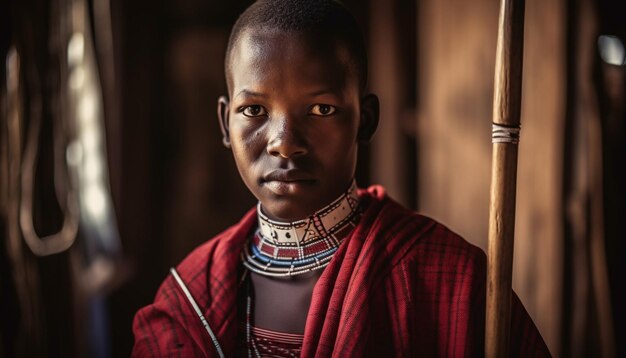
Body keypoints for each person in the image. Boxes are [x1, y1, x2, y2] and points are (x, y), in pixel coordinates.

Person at [132, 0, 550, 356]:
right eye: (254, 111)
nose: (284, 143)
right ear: (225, 123)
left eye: (321, 110)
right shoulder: (189, 298)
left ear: (364, 121)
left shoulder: (453, 281)